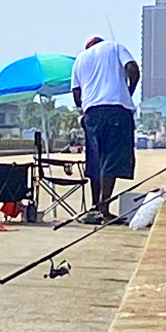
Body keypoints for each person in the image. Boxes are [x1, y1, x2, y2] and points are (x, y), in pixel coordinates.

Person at [71, 36, 140, 222]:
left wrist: (85, 105)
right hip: (116, 110)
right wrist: (128, 91)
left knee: (95, 160)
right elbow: (133, 69)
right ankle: (104, 208)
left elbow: (76, 95)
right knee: (112, 158)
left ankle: (95, 207)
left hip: (92, 114)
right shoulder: (115, 47)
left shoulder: (80, 59)